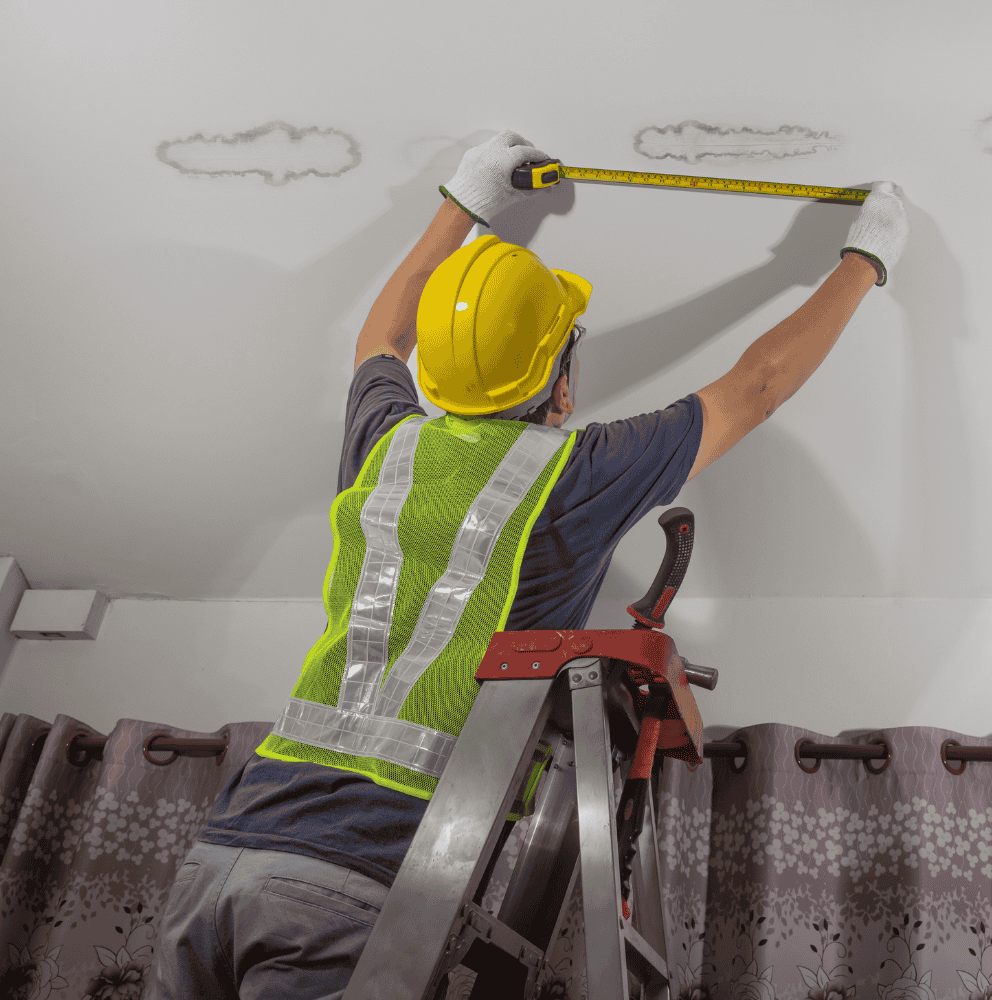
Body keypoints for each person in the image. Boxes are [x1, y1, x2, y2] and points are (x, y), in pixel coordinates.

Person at [144, 130, 908, 1000]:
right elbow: (754, 389)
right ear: (562, 381)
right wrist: (867, 259)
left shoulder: (385, 439)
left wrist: (465, 201)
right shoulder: (574, 473)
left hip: (221, 862)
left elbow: (380, 333)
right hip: (350, 884)